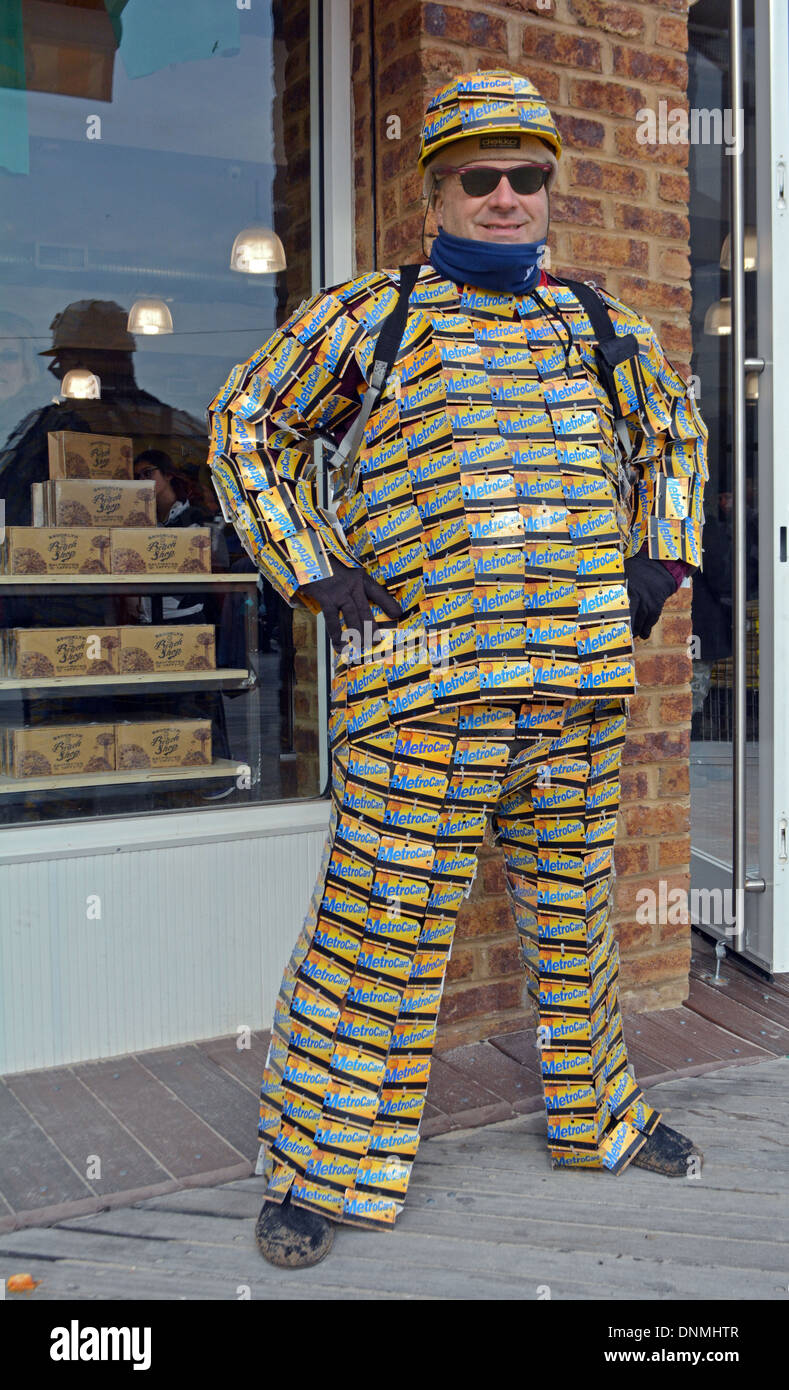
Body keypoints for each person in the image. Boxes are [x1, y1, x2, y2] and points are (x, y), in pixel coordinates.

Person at [207, 70, 708, 1269]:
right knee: (378, 934)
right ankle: (321, 1168)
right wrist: (310, 568)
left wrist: (662, 557)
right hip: (427, 696)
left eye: (524, 177)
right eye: (476, 177)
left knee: (577, 924)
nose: (502, 196)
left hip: (577, 689)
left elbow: (673, 433)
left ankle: (605, 1121)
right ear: (435, 190)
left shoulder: (598, 323)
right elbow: (244, 423)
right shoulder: (367, 317)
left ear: (549, 188)